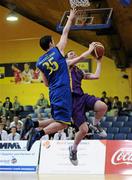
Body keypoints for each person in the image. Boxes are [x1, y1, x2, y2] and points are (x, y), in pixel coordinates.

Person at [21, 9, 95, 151]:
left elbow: (46, 83)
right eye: (53, 41)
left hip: (53, 92)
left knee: (58, 119)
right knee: (64, 124)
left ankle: (34, 124)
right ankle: (38, 133)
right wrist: (71, 17)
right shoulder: (58, 51)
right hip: (62, 91)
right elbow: (65, 32)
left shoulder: (39, 62)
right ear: (50, 43)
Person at [65, 50, 107, 166]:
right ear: (66, 58)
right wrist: (90, 49)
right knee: (84, 130)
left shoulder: (79, 71)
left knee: (103, 106)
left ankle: (96, 124)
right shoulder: (66, 65)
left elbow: (96, 76)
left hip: (82, 97)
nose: (73, 54)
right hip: (72, 101)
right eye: (70, 54)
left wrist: (99, 62)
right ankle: (73, 149)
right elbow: (81, 57)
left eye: (74, 53)